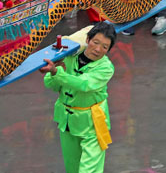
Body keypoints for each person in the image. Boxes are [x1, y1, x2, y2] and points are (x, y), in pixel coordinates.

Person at [40, 22, 117, 173]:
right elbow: (52, 86)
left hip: (93, 125)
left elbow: (84, 84)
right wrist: (52, 72)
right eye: (96, 42)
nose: (98, 49)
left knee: (89, 170)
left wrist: (58, 73)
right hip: (68, 122)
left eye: (104, 47)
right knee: (72, 168)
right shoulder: (70, 58)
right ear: (87, 40)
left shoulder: (106, 68)